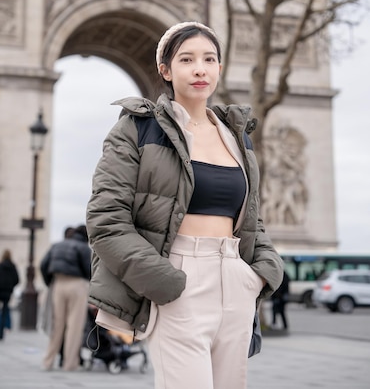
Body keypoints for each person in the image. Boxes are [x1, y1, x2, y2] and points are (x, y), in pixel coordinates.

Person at [86, 21, 284, 389]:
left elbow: (252, 220)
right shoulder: (136, 129)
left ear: (220, 68)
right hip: (176, 279)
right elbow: (105, 219)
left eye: (209, 59)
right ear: (165, 69)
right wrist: (165, 281)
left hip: (236, 279)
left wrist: (262, 273)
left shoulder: (238, 137)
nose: (199, 69)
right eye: (186, 59)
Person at [40, 225, 91, 371]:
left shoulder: (57, 245)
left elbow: (43, 265)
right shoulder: (83, 248)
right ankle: (69, 364)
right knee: (74, 326)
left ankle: (48, 361)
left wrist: (50, 282)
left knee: (57, 326)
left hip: (58, 283)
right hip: (77, 284)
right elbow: (90, 270)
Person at [0, 249, 19, 340]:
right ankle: (1, 333)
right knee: (4, 312)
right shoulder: (12, 267)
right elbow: (17, 279)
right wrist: (10, 286)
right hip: (7, 292)